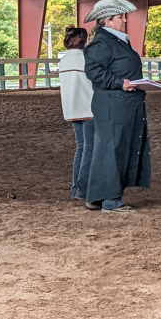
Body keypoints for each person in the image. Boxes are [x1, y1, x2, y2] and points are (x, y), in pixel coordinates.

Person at [82, 0, 151, 214]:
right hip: (114, 104)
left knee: (108, 149)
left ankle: (97, 196)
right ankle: (111, 200)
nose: (124, 21)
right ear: (108, 21)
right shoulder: (104, 43)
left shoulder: (115, 41)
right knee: (114, 149)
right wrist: (119, 83)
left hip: (120, 103)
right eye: (120, 17)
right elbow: (93, 71)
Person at [58, 27, 94, 200]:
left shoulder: (64, 60)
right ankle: (82, 188)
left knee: (81, 147)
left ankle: (76, 188)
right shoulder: (86, 58)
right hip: (88, 107)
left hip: (71, 109)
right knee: (89, 148)